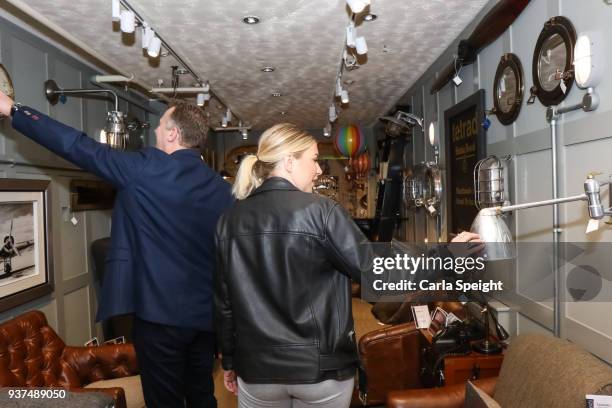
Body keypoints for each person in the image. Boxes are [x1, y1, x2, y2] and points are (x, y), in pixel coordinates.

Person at [214, 123, 480, 407]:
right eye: (314, 159)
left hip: (256, 370)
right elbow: (380, 273)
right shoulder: (321, 212)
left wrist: (229, 359)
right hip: (319, 370)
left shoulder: (229, 220)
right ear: (290, 161)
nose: (319, 170)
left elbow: (224, 302)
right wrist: (448, 254)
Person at [0, 90, 233, 408]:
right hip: (204, 319)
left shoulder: (146, 168)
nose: (154, 130)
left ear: (173, 133)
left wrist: (13, 109)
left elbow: (77, 146)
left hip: (158, 317)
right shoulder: (222, 189)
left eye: (160, 124)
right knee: (202, 395)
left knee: (164, 400)